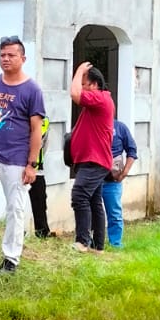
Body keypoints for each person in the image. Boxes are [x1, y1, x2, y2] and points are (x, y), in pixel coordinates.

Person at [0, 36, 46, 273]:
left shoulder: (32, 89)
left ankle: (11, 259)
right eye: (2, 54)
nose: (5, 59)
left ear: (22, 58)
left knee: (15, 209)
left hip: (16, 159)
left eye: (11, 55)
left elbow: (37, 129)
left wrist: (31, 164)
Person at [68, 63, 115, 252]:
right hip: (90, 159)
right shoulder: (98, 101)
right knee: (94, 201)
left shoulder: (101, 98)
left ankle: (83, 241)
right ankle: (98, 246)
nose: (81, 86)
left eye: (84, 83)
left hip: (94, 160)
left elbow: (74, 95)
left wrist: (79, 71)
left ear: (94, 85)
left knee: (79, 195)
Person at [102, 117, 138, 248]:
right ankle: (90, 241)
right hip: (92, 179)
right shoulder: (90, 126)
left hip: (112, 180)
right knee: (90, 212)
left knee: (114, 213)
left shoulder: (120, 127)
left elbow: (132, 150)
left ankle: (115, 243)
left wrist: (125, 171)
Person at [29, 115, 51, 239]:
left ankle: (42, 233)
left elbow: (46, 145)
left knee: (40, 202)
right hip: (17, 166)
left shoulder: (45, 122)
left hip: (37, 169)